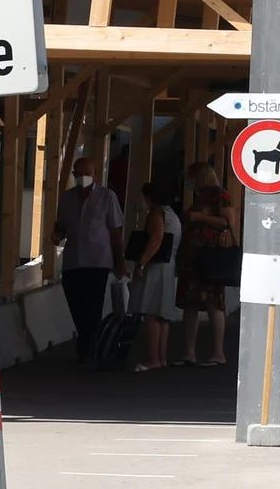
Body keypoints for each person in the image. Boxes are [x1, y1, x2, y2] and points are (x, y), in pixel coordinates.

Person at [53, 154, 123, 359]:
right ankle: (87, 339)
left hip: (98, 260)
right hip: (73, 260)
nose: (83, 177)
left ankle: (89, 345)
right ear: (74, 174)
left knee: (93, 305)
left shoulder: (107, 197)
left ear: (95, 174)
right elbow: (61, 226)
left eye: (88, 173)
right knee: (75, 302)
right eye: (80, 173)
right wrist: (56, 234)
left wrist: (119, 261)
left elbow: (116, 231)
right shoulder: (66, 198)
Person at [124, 179, 183, 374]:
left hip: (155, 266)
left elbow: (156, 239)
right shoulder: (172, 214)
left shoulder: (157, 213)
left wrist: (141, 263)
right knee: (162, 314)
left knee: (150, 312)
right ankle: (162, 357)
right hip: (169, 265)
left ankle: (152, 358)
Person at [179, 173, 237, 366]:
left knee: (213, 303)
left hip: (209, 256)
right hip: (192, 257)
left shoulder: (219, 196)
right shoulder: (200, 197)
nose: (189, 182)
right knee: (190, 304)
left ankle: (218, 353)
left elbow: (229, 223)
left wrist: (199, 217)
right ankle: (189, 353)